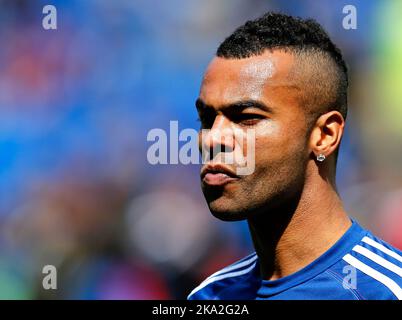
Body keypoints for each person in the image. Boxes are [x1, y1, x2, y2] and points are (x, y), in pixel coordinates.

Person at [187, 12, 402, 300]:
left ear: (324, 135)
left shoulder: (385, 292)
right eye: (207, 119)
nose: (213, 138)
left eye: (247, 118)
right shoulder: (210, 296)